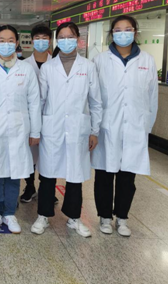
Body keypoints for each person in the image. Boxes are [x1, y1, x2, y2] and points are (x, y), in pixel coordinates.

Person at [32, 22, 102, 238]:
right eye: (61, 37)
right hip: (51, 128)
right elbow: (40, 101)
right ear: (56, 41)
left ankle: (74, 217)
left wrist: (94, 131)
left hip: (78, 128)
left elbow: (96, 101)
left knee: (75, 175)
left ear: (78, 39)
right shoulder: (48, 67)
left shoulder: (88, 67)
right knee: (47, 174)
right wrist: (36, 129)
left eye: (69, 36)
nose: (65, 40)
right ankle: (43, 215)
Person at [92, 15, 158, 237]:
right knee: (104, 175)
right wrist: (94, 127)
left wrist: (147, 126)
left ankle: (122, 217)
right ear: (112, 34)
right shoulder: (100, 60)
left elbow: (152, 97)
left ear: (135, 32)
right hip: (106, 126)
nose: (123, 34)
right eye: (118, 30)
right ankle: (104, 217)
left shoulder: (147, 60)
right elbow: (94, 97)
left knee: (127, 177)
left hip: (135, 127)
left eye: (127, 29)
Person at [0, 25, 41, 234]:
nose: (6, 44)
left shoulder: (26, 69)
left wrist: (35, 132)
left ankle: (10, 213)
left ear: (17, 43)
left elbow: (34, 102)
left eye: (10, 40)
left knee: (14, 173)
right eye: (1, 40)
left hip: (19, 129)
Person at [20, 25, 53, 203]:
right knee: (30, 153)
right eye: (37, 38)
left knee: (50, 154)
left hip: (52, 116)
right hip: (29, 116)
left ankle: (47, 189)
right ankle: (30, 186)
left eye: (44, 38)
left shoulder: (57, 64)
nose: (41, 41)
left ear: (50, 41)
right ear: (32, 41)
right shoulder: (24, 65)